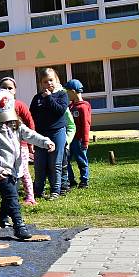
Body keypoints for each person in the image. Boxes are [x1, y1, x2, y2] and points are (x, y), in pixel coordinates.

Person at [0, 89, 55, 240]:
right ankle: (19, 226)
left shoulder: (16, 125)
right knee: (12, 196)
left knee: (9, 196)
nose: (4, 120)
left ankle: (2, 218)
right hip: (1, 170)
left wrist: (45, 142)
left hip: (16, 169)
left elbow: (30, 135)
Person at [29, 68, 69, 200]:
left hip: (57, 132)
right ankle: (38, 191)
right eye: (45, 82)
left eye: (51, 80)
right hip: (41, 135)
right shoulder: (37, 98)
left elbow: (59, 110)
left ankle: (55, 190)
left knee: (55, 163)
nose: (49, 83)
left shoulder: (62, 95)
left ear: (56, 80)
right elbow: (31, 116)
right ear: (41, 83)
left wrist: (49, 97)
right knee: (39, 164)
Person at [0, 77, 36, 206]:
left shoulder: (19, 105)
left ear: (15, 90)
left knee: (23, 170)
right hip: (4, 146)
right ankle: (10, 195)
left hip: (21, 146)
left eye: (10, 88)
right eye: (4, 87)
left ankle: (30, 197)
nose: (7, 90)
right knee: (7, 171)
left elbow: (30, 123)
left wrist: (30, 144)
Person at [65, 79, 92, 188]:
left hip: (79, 139)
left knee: (81, 160)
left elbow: (86, 125)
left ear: (73, 91)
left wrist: (85, 141)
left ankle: (84, 180)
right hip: (70, 139)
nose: (66, 94)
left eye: (68, 91)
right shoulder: (70, 107)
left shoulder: (83, 107)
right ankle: (71, 180)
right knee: (65, 160)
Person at [59, 106, 77, 195]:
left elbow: (71, 126)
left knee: (64, 166)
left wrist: (67, 140)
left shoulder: (63, 108)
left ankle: (64, 186)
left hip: (63, 144)